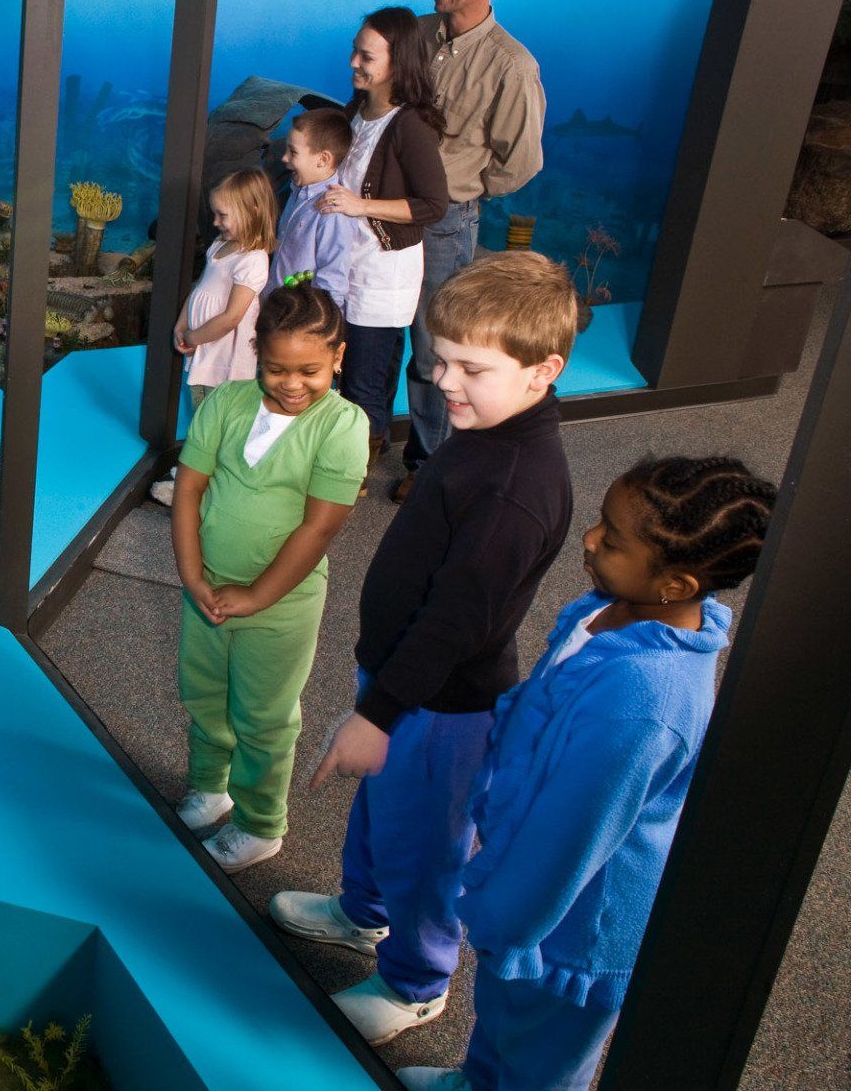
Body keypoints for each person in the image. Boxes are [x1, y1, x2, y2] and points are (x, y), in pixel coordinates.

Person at [269, 250, 576, 1045]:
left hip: (442, 707)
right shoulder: (487, 426)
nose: (444, 382)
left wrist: (377, 713)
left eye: (472, 368)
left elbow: (454, 621)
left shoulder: (517, 486)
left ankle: (415, 982)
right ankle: (363, 913)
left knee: (427, 847)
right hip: (404, 682)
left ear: (544, 370)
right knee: (383, 815)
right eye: (441, 359)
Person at [397, 456, 776, 1091]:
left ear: (676, 584)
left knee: (541, 1054)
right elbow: (545, 701)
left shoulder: (644, 706)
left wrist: (504, 921)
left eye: (613, 540)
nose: (591, 539)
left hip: (575, 923)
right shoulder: (613, 608)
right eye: (602, 521)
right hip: (532, 880)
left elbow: (570, 840)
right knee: (501, 1018)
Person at [170, 279, 368, 872]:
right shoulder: (226, 403)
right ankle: (211, 787)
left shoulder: (343, 425)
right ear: (257, 354)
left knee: (263, 715)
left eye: (310, 371)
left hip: (281, 604)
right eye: (277, 369)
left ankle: (261, 824)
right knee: (204, 694)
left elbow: (319, 528)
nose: (292, 384)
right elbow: (189, 491)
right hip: (206, 590)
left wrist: (257, 596)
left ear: (338, 357)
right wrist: (193, 577)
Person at [396, 0, 547, 504]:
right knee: (370, 331)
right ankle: (362, 439)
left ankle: (430, 462)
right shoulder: (416, 33)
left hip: (443, 225)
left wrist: (460, 188)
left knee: (434, 350)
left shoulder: (513, 66)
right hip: (381, 210)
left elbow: (520, 163)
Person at [316, 6, 450, 495]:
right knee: (352, 368)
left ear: (398, 62)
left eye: (366, 56)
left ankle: (350, 476)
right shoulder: (356, 109)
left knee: (363, 380)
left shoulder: (409, 124)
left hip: (381, 276)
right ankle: (353, 453)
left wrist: (360, 205)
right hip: (344, 269)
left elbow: (433, 204)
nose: (353, 62)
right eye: (354, 51)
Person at [151, 169, 276, 507]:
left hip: (224, 359)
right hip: (204, 350)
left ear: (252, 210)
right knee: (203, 417)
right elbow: (200, 289)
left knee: (218, 423)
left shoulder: (253, 259)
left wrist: (194, 336)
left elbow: (232, 317)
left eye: (223, 215)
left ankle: (202, 486)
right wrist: (182, 323)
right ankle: (198, 475)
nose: (216, 222)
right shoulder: (220, 246)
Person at [272, 108, 358, 313]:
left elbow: (332, 277)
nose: (284, 158)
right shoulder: (296, 191)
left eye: (293, 152)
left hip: (299, 319)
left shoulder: (332, 211)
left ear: (323, 159)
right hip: (276, 310)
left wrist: (322, 323)